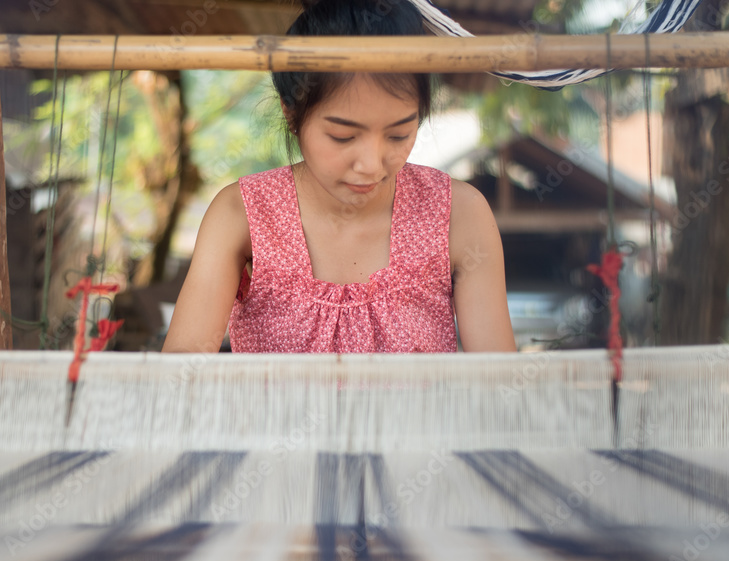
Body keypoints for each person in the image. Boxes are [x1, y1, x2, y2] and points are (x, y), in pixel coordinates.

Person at [163, 0, 515, 355]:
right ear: (292, 114)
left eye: (398, 135)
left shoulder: (459, 214)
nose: (371, 165)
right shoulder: (242, 215)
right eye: (343, 137)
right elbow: (177, 382)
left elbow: (500, 389)